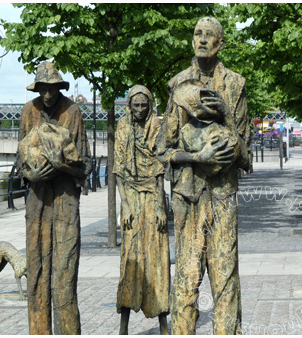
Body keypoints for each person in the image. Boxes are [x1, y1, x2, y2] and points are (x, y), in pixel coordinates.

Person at [156, 17, 250, 335]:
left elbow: (246, 155)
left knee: (225, 278)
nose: (202, 39)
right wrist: (197, 157)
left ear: (220, 43)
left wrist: (225, 113)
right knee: (185, 279)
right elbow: (163, 150)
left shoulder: (236, 84)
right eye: (197, 34)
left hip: (223, 195)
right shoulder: (178, 85)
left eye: (209, 35)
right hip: (188, 196)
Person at [16, 61, 91, 334]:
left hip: (65, 203)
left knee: (64, 274)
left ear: (60, 87)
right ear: (37, 89)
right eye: (43, 89)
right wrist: (31, 175)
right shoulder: (28, 111)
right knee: (36, 273)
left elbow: (86, 164)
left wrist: (63, 166)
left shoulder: (72, 111)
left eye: (53, 89)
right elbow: (20, 158)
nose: (48, 96)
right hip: (37, 204)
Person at [114, 85, 170, 335]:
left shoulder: (157, 126)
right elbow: (118, 170)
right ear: (129, 105)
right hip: (131, 197)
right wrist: (124, 205)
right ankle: (124, 324)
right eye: (135, 105)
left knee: (157, 257)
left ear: (149, 105)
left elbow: (160, 168)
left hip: (153, 195)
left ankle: (162, 320)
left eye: (143, 105)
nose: (139, 110)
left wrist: (160, 205)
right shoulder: (122, 126)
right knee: (130, 257)